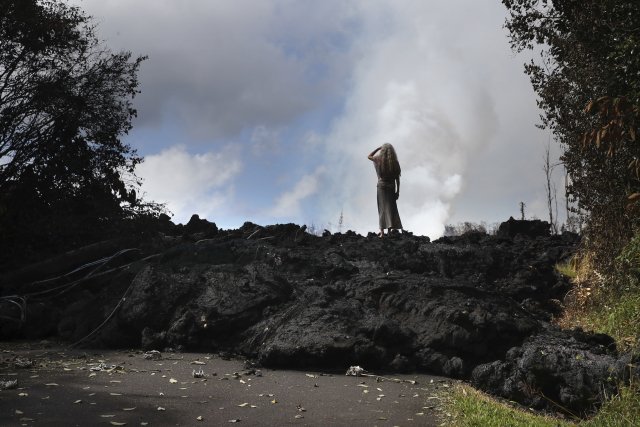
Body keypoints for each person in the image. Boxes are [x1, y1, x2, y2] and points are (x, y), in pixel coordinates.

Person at [368, 143, 403, 237]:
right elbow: (397, 179)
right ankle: (389, 231)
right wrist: (397, 192)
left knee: (382, 209)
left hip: (381, 187)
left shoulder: (379, 159)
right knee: (391, 209)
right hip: (391, 187)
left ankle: (382, 232)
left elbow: (369, 156)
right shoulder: (394, 162)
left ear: (382, 151)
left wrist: (378, 148)